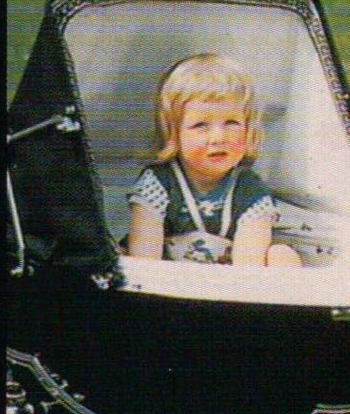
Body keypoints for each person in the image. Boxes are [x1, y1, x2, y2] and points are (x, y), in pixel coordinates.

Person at [127, 53, 301, 266]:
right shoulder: (159, 182)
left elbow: (249, 266)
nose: (219, 138)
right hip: (165, 281)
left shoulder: (250, 190)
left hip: (225, 286)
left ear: (249, 129)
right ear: (174, 134)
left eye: (231, 122)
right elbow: (143, 260)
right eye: (200, 125)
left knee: (282, 255)